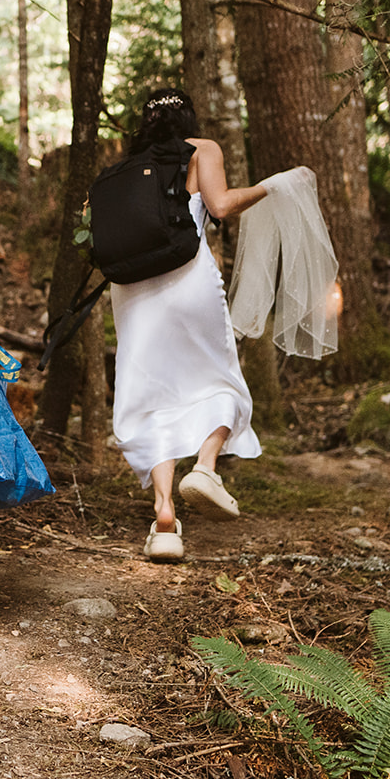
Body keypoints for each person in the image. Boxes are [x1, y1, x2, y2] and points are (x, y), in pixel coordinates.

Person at [109, 89, 268, 562]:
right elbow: (219, 207)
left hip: (133, 291)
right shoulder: (203, 150)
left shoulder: (123, 170)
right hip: (188, 281)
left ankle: (163, 518)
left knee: (152, 399)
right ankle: (203, 466)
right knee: (219, 381)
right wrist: (270, 187)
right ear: (187, 119)